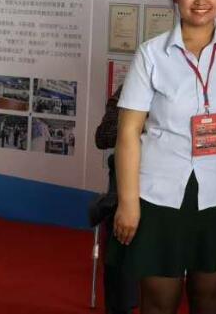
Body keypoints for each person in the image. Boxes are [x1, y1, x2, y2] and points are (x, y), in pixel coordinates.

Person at [109, 0, 216, 314]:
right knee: (159, 300)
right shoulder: (151, 54)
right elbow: (128, 133)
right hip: (159, 194)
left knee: (210, 297)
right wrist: (128, 202)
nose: (201, 0)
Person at [94, 83, 139, 314]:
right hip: (124, 188)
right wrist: (138, 123)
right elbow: (102, 137)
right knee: (120, 224)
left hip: (168, 185)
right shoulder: (129, 88)